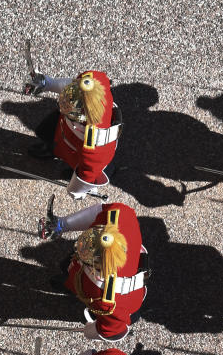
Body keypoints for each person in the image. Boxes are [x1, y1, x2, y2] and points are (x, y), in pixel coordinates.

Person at [38, 201, 147, 341]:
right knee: (69, 266)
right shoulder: (119, 217)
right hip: (93, 274)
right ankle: (68, 283)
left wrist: (90, 330)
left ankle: (69, 286)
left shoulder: (109, 302)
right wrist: (63, 224)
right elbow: (100, 211)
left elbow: (111, 332)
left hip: (114, 299)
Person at [24, 69, 121, 199]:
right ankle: (52, 149)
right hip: (67, 128)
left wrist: (77, 190)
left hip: (80, 149)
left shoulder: (95, 146)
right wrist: (47, 83)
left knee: (77, 165)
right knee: (46, 131)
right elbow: (74, 84)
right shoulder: (92, 81)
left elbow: (89, 172)